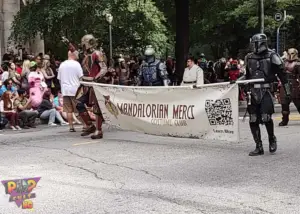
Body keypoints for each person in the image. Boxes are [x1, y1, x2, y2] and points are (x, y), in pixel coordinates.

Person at [244, 33, 290, 156]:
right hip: (252, 92)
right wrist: (237, 82)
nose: (253, 46)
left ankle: (271, 138)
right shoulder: (249, 57)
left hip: (266, 91)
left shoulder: (272, 55)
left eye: (254, 43)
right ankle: (258, 146)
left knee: (266, 117)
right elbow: (247, 75)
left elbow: (282, 75)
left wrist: (288, 91)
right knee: (253, 119)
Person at [65, 34, 107, 139]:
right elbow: (75, 53)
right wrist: (68, 44)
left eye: (84, 43)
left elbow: (104, 68)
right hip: (85, 84)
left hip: (94, 84)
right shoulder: (84, 55)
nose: (83, 46)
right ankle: (89, 125)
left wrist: (95, 78)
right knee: (78, 103)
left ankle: (98, 130)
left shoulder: (97, 54)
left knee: (96, 107)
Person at [57, 51, 83, 132]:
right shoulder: (76, 64)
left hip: (65, 90)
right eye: (77, 54)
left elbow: (59, 78)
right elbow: (81, 77)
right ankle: (85, 125)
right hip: (75, 89)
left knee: (68, 110)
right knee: (79, 109)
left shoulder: (62, 64)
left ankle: (71, 127)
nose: (78, 55)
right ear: (73, 54)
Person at [278, 48, 300, 126]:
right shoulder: (283, 62)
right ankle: (285, 120)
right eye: (289, 53)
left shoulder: (298, 64)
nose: (291, 55)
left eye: (292, 53)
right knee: (284, 103)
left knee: (298, 102)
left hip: (294, 84)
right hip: (285, 84)